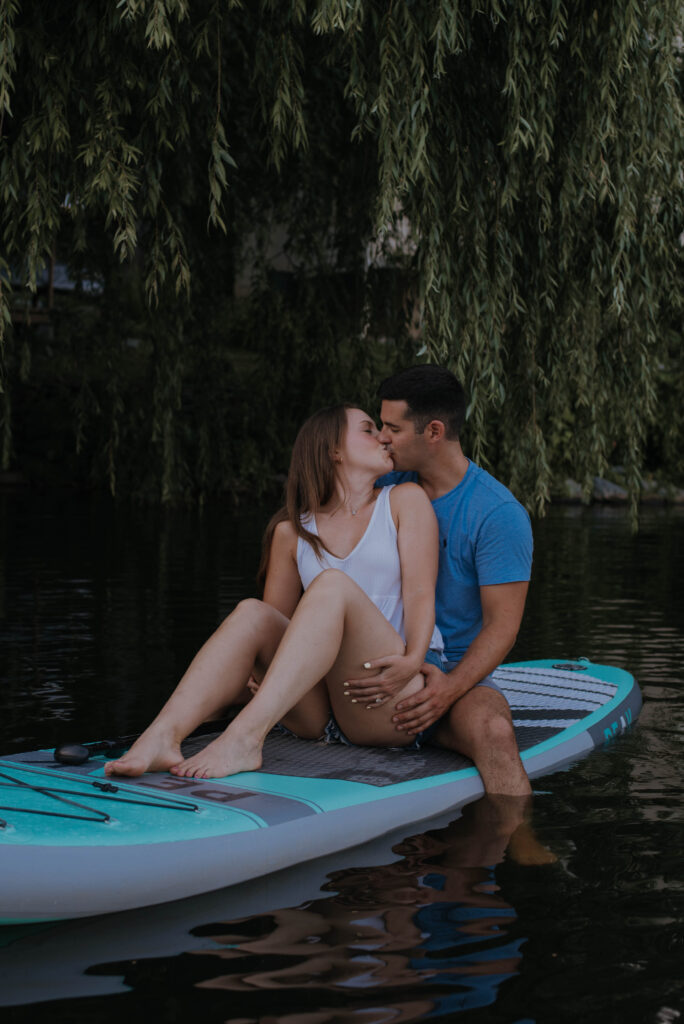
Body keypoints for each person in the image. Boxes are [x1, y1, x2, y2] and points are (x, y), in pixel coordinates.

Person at [105, 404, 443, 780]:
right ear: (334, 450)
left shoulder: (404, 500)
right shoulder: (292, 532)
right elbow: (277, 631)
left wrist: (414, 661)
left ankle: (244, 738)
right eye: (367, 429)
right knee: (253, 613)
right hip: (319, 715)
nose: (382, 436)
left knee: (331, 585)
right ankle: (163, 736)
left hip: (393, 694)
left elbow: (420, 595)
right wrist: (260, 672)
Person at [343, 365, 534, 797]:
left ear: (433, 431)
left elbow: (502, 625)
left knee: (495, 733)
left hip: (457, 673)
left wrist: (448, 690)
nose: (382, 438)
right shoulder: (382, 485)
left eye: (392, 427)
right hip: (380, 661)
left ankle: (518, 838)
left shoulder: (497, 514)